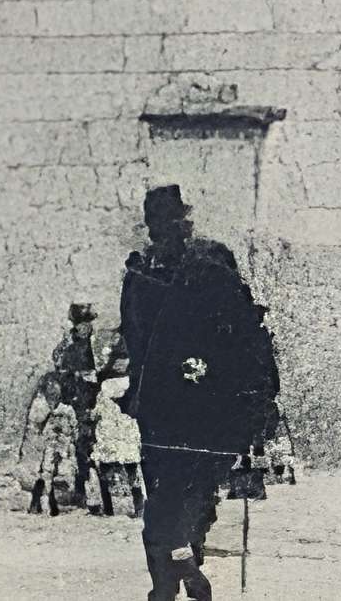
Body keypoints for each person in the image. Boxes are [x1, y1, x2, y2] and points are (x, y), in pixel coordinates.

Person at [120, 186, 280, 601]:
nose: (167, 230)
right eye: (159, 224)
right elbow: (134, 339)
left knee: (193, 491)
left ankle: (183, 559)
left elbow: (241, 332)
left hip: (201, 404)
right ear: (153, 228)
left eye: (173, 222)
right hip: (162, 405)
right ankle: (170, 576)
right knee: (169, 489)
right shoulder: (139, 275)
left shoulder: (210, 268)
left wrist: (221, 372)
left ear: (184, 223)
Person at [49, 299, 102, 509]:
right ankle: (81, 489)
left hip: (96, 398)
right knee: (81, 444)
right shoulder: (68, 347)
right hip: (77, 400)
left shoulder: (97, 344)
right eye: (81, 325)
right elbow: (59, 365)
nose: (84, 328)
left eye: (87, 324)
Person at [90, 335, 145, 518]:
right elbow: (99, 404)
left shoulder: (133, 380)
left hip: (126, 427)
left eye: (124, 361)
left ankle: (138, 505)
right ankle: (108, 506)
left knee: (131, 466)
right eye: (118, 361)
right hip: (109, 428)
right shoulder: (105, 382)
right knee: (106, 466)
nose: (120, 365)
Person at [19, 371, 79, 516]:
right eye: (51, 392)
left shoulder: (64, 409)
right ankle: (43, 505)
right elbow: (36, 423)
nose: (54, 394)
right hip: (44, 445)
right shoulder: (41, 406)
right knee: (45, 474)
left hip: (56, 444)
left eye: (56, 392)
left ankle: (46, 505)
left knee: (50, 474)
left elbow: (72, 428)